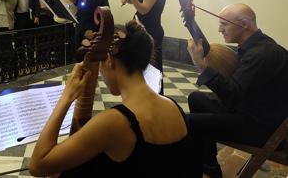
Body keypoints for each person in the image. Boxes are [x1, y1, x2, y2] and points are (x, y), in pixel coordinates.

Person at [29, 21, 200, 177]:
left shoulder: (114, 122)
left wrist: (67, 96)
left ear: (109, 60)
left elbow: (38, 165)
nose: (101, 72)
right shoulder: (173, 106)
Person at [186, 3, 288, 178]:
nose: (220, 29)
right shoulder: (257, 47)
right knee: (196, 98)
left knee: (187, 121)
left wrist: (202, 67)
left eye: (224, 24)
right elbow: (237, 89)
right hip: (250, 110)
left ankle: (201, 167)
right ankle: (209, 164)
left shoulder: (262, 54)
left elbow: (232, 95)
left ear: (243, 24)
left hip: (262, 128)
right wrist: (191, 21)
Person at [122, 0, 166, 92]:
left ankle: (156, 98)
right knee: (141, 66)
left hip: (151, 32)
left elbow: (144, 10)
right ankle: (142, 95)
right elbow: (126, 0)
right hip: (143, 31)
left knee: (152, 69)